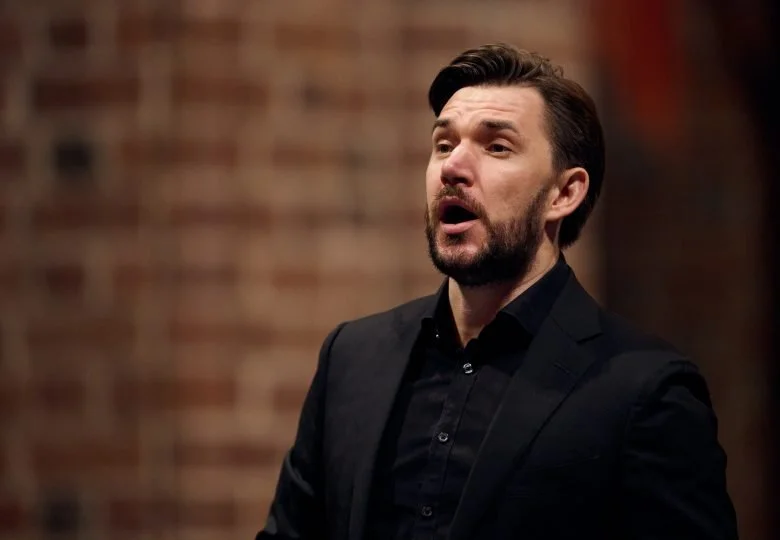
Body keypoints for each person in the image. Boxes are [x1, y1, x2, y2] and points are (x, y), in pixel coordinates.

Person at [257, 44, 738, 540]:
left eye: (496, 147)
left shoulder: (645, 391)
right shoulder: (352, 359)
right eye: (444, 145)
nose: (453, 167)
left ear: (563, 193)